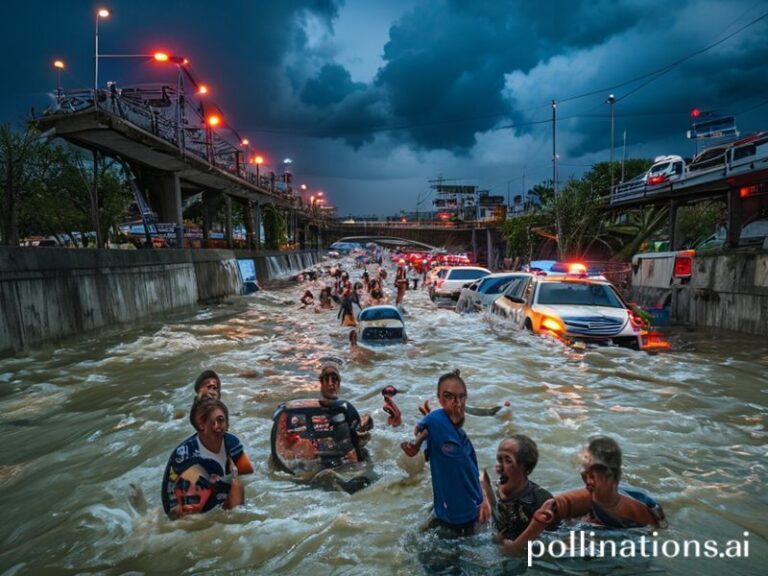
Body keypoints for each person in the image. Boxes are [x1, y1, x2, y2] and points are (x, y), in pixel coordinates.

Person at [501, 435, 667, 555]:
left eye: (592, 476)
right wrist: (520, 543)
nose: (587, 481)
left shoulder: (635, 511)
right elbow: (554, 506)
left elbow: (655, 532)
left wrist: (516, 548)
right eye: (584, 474)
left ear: (611, 477)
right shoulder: (593, 495)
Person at [402, 369, 490, 537]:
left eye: (461, 397)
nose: (456, 403)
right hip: (449, 518)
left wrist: (484, 500)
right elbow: (422, 430)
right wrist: (415, 445)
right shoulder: (435, 419)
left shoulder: (464, 440)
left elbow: (473, 472)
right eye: (449, 397)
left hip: (472, 514)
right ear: (440, 399)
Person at [162, 398, 254, 519]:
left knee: (237, 487)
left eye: (221, 420)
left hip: (216, 493)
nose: (217, 426)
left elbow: (248, 474)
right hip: (189, 502)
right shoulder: (184, 454)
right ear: (201, 425)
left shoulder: (232, 443)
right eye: (212, 422)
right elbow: (171, 498)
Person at [481, 435, 557, 548]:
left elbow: (550, 545)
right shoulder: (490, 491)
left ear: (525, 467)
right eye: (499, 460)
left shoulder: (541, 502)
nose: (499, 468)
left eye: (508, 461)